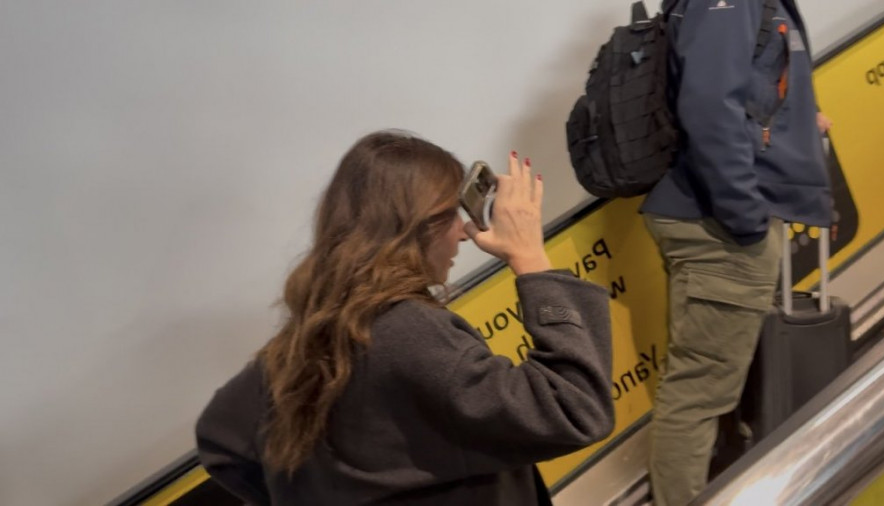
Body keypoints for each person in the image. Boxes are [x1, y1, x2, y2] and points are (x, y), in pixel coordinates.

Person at [195, 130, 615, 505]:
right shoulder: (407, 331)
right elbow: (574, 409)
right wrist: (530, 258)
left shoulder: (316, 326)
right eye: (450, 215)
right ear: (414, 227)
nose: (463, 232)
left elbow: (221, 438)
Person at [639, 1, 833, 504]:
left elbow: (745, 91)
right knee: (698, 394)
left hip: (712, 214)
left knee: (710, 384)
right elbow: (709, 109)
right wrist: (746, 217)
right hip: (719, 222)